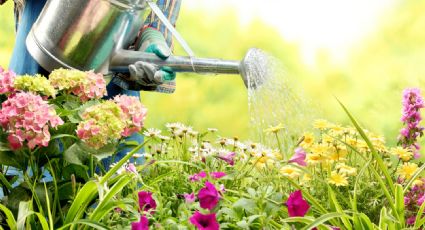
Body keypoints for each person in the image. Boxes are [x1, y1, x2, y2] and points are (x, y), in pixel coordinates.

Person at [0, 0, 182, 195]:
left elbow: (157, 12)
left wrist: (151, 37)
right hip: (34, 72)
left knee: (110, 208)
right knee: (24, 203)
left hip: (109, 90)